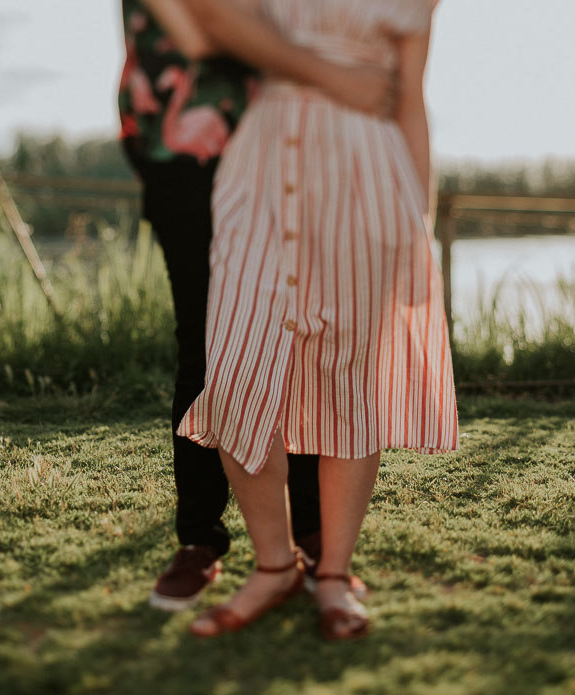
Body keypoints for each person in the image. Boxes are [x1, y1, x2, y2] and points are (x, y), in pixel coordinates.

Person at [166, 0, 458, 641]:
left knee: (349, 377)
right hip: (262, 164)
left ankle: (332, 575)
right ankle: (274, 564)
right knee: (236, 374)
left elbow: (410, 97)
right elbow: (206, 25)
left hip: (366, 171)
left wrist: (421, 228)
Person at [118, 0, 393, 611]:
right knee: (207, 346)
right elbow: (204, 31)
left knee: (299, 336)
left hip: (292, 154)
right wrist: (340, 73)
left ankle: (312, 536)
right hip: (187, 159)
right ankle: (200, 540)